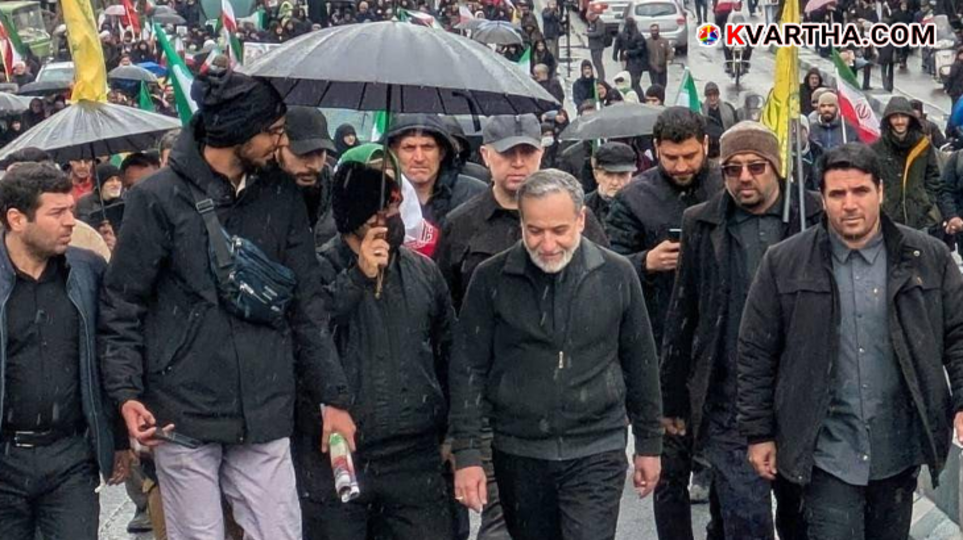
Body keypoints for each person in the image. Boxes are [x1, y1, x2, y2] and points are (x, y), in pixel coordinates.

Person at [99, 70, 355, 540]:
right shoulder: (156, 200)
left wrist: (332, 397)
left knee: (279, 532)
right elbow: (122, 303)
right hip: (182, 409)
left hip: (265, 404)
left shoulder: (281, 195)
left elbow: (307, 304)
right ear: (237, 131)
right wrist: (127, 394)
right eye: (273, 132)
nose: (281, 143)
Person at [738, 143, 963, 540]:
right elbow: (756, 352)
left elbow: (958, 336)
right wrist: (759, 433)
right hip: (823, 449)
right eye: (837, 194)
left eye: (860, 191)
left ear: (880, 191)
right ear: (821, 199)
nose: (850, 204)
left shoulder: (927, 258)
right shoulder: (784, 263)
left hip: (897, 446)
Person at [450, 169, 663, 540]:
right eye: (535, 231)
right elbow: (468, 367)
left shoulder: (617, 274)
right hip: (519, 450)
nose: (548, 244)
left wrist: (649, 445)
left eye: (559, 231)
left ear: (581, 220)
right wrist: (467, 454)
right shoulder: (491, 279)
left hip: (597, 445)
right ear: (521, 224)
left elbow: (640, 362)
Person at [434, 114, 610, 540]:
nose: (518, 163)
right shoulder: (462, 224)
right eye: (507, 153)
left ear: (541, 153)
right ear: (485, 156)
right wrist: (459, 432)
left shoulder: (579, 217)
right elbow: (443, 324)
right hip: (494, 406)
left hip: (570, 407)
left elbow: (608, 299)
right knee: (501, 527)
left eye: (526, 152)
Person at [661, 121, 819, 540]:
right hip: (730, 398)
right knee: (745, 520)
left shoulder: (814, 215)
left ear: (776, 167)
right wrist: (672, 397)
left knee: (799, 517)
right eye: (732, 169)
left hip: (803, 394)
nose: (744, 177)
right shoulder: (703, 222)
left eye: (756, 166)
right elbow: (685, 310)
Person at [297, 146, 455, 540]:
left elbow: (451, 355)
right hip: (338, 457)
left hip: (415, 459)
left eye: (392, 204)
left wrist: (458, 434)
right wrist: (357, 278)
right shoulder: (312, 271)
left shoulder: (423, 272)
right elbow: (306, 339)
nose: (386, 216)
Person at [605, 107, 723, 540]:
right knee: (669, 471)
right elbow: (607, 267)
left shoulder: (725, 184)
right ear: (656, 151)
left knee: (728, 472)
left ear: (705, 146)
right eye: (671, 158)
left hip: (719, 348)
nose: (681, 166)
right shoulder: (634, 197)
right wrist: (645, 262)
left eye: (690, 156)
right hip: (660, 349)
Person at [0, 162, 130, 539]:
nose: (71, 221)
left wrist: (117, 438)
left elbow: (108, 352)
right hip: (6, 458)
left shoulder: (87, 271)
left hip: (70, 457)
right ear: (17, 219)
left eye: (71, 209)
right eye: (57, 212)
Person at [386, 114, 488, 257]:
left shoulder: (473, 195)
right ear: (394, 153)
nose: (419, 158)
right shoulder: (380, 198)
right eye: (409, 147)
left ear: (441, 152)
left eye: (428, 147)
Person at [870, 96, 947, 233]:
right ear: (888, 120)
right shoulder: (877, 148)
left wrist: (924, 201)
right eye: (895, 117)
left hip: (918, 218)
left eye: (903, 117)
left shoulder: (922, 145)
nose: (899, 122)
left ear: (910, 119)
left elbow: (933, 176)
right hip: (887, 218)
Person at [275, 106, 336, 234]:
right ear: (278, 147)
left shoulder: (334, 188)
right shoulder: (255, 191)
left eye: (320, 153)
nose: (314, 165)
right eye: (303, 154)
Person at [585, 141, 636, 222]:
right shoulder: (582, 207)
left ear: (631, 175)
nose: (615, 182)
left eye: (622, 174)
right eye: (608, 174)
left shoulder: (645, 205)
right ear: (596, 175)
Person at [612, 17, 647, 98]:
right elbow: (617, 44)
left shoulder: (637, 36)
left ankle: (639, 97)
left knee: (634, 81)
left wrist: (627, 53)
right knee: (630, 80)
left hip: (635, 62)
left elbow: (640, 49)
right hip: (628, 61)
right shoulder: (627, 35)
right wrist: (615, 54)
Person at [702, 82, 738, 158]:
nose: (712, 98)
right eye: (709, 95)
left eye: (714, 95)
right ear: (706, 96)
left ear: (718, 95)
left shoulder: (729, 109)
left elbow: (736, 126)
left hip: (726, 143)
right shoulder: (701, 111)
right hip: (709, 148)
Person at [646, 23, 673, 88]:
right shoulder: (647, 42)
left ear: (658, 30)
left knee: (663, 85)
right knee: (655, 85)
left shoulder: (664, 41)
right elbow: (646, 55)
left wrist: (669, 59)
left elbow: (670, 51)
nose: (654, 32)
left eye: (655, 30)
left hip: (663, 67)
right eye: (652, 31)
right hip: (653, 69)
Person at [586, 10, 607, 83]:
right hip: (593, 46)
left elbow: (599, 33)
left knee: (598, 62)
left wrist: (589, 34)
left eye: (589, 18)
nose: (589, 20)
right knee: (595, 62)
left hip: (598, 46)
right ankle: (599, 76)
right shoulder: (593, 22)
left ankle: (601, 78)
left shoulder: (599, 22)